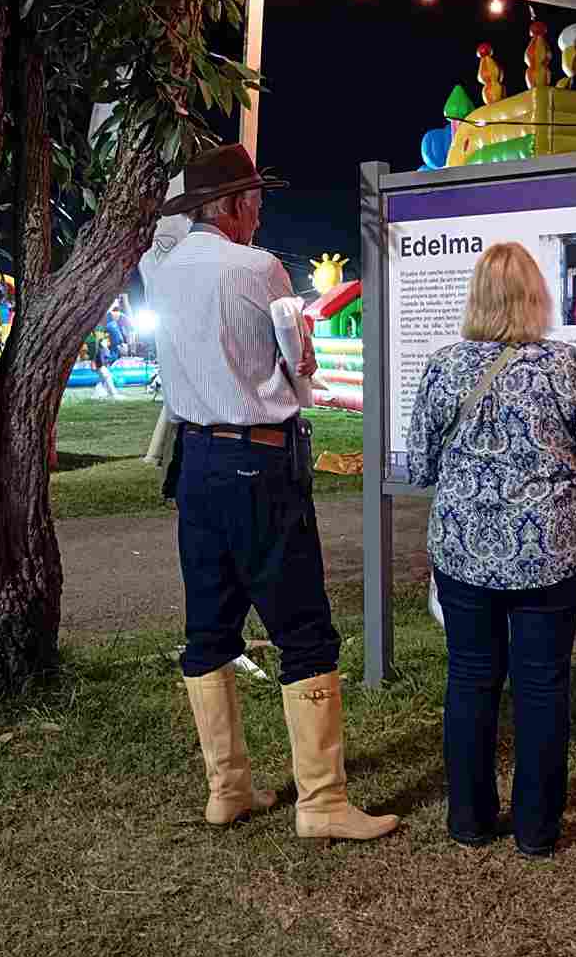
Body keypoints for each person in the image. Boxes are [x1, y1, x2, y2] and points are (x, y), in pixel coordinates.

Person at [140, 143, 398, 845]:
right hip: (259, 457)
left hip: (195, 461)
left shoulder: (159, 269)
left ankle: (227, 788)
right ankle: (322, 799)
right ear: (228, 205)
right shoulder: (257, 268)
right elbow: (296, 363)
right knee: (303, 626)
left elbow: (165, 228)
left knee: (209, 625)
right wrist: (299, 357)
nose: (259, 212)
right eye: (252, 201)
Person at [407, 243, 576, 859]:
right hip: (548, 553)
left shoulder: (444, 366)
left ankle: (469, 819)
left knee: (470, 680)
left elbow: (419, 465)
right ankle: (536, 830)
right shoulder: (564, 366)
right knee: (543, 685)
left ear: (476, 297)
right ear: (535, 297)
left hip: (464, 554)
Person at [91, 332, 123, 401]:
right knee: (107, 378)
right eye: (106, 341)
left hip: (102, 366)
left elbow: (107, 359)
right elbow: (95, 357)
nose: (108, 342)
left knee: (103, 380)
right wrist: (93, 364)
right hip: (100, 366)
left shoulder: (105, 349)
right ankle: (113, 394)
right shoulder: (100, 349)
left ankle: (96, 395)